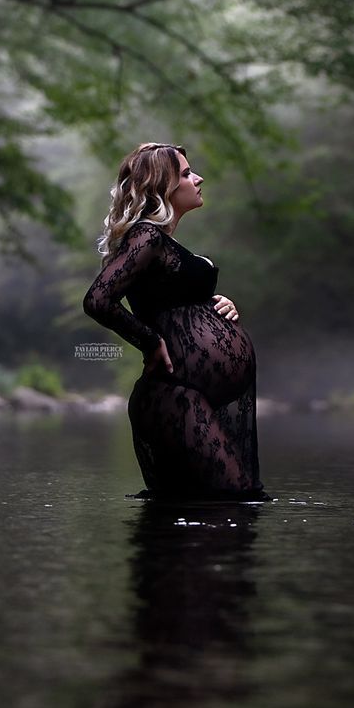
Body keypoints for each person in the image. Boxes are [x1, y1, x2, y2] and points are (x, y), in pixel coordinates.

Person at [82, 142, 271, 502]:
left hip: (190, 398)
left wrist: (219, 304)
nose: (198, 179)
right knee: (233, 502)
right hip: (175, 397)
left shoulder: (164, 245)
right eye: (186, 174)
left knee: (208, 511)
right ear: (163, 187)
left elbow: (171, 300)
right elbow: (97, 300)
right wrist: (150, 341)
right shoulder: (146, 236)